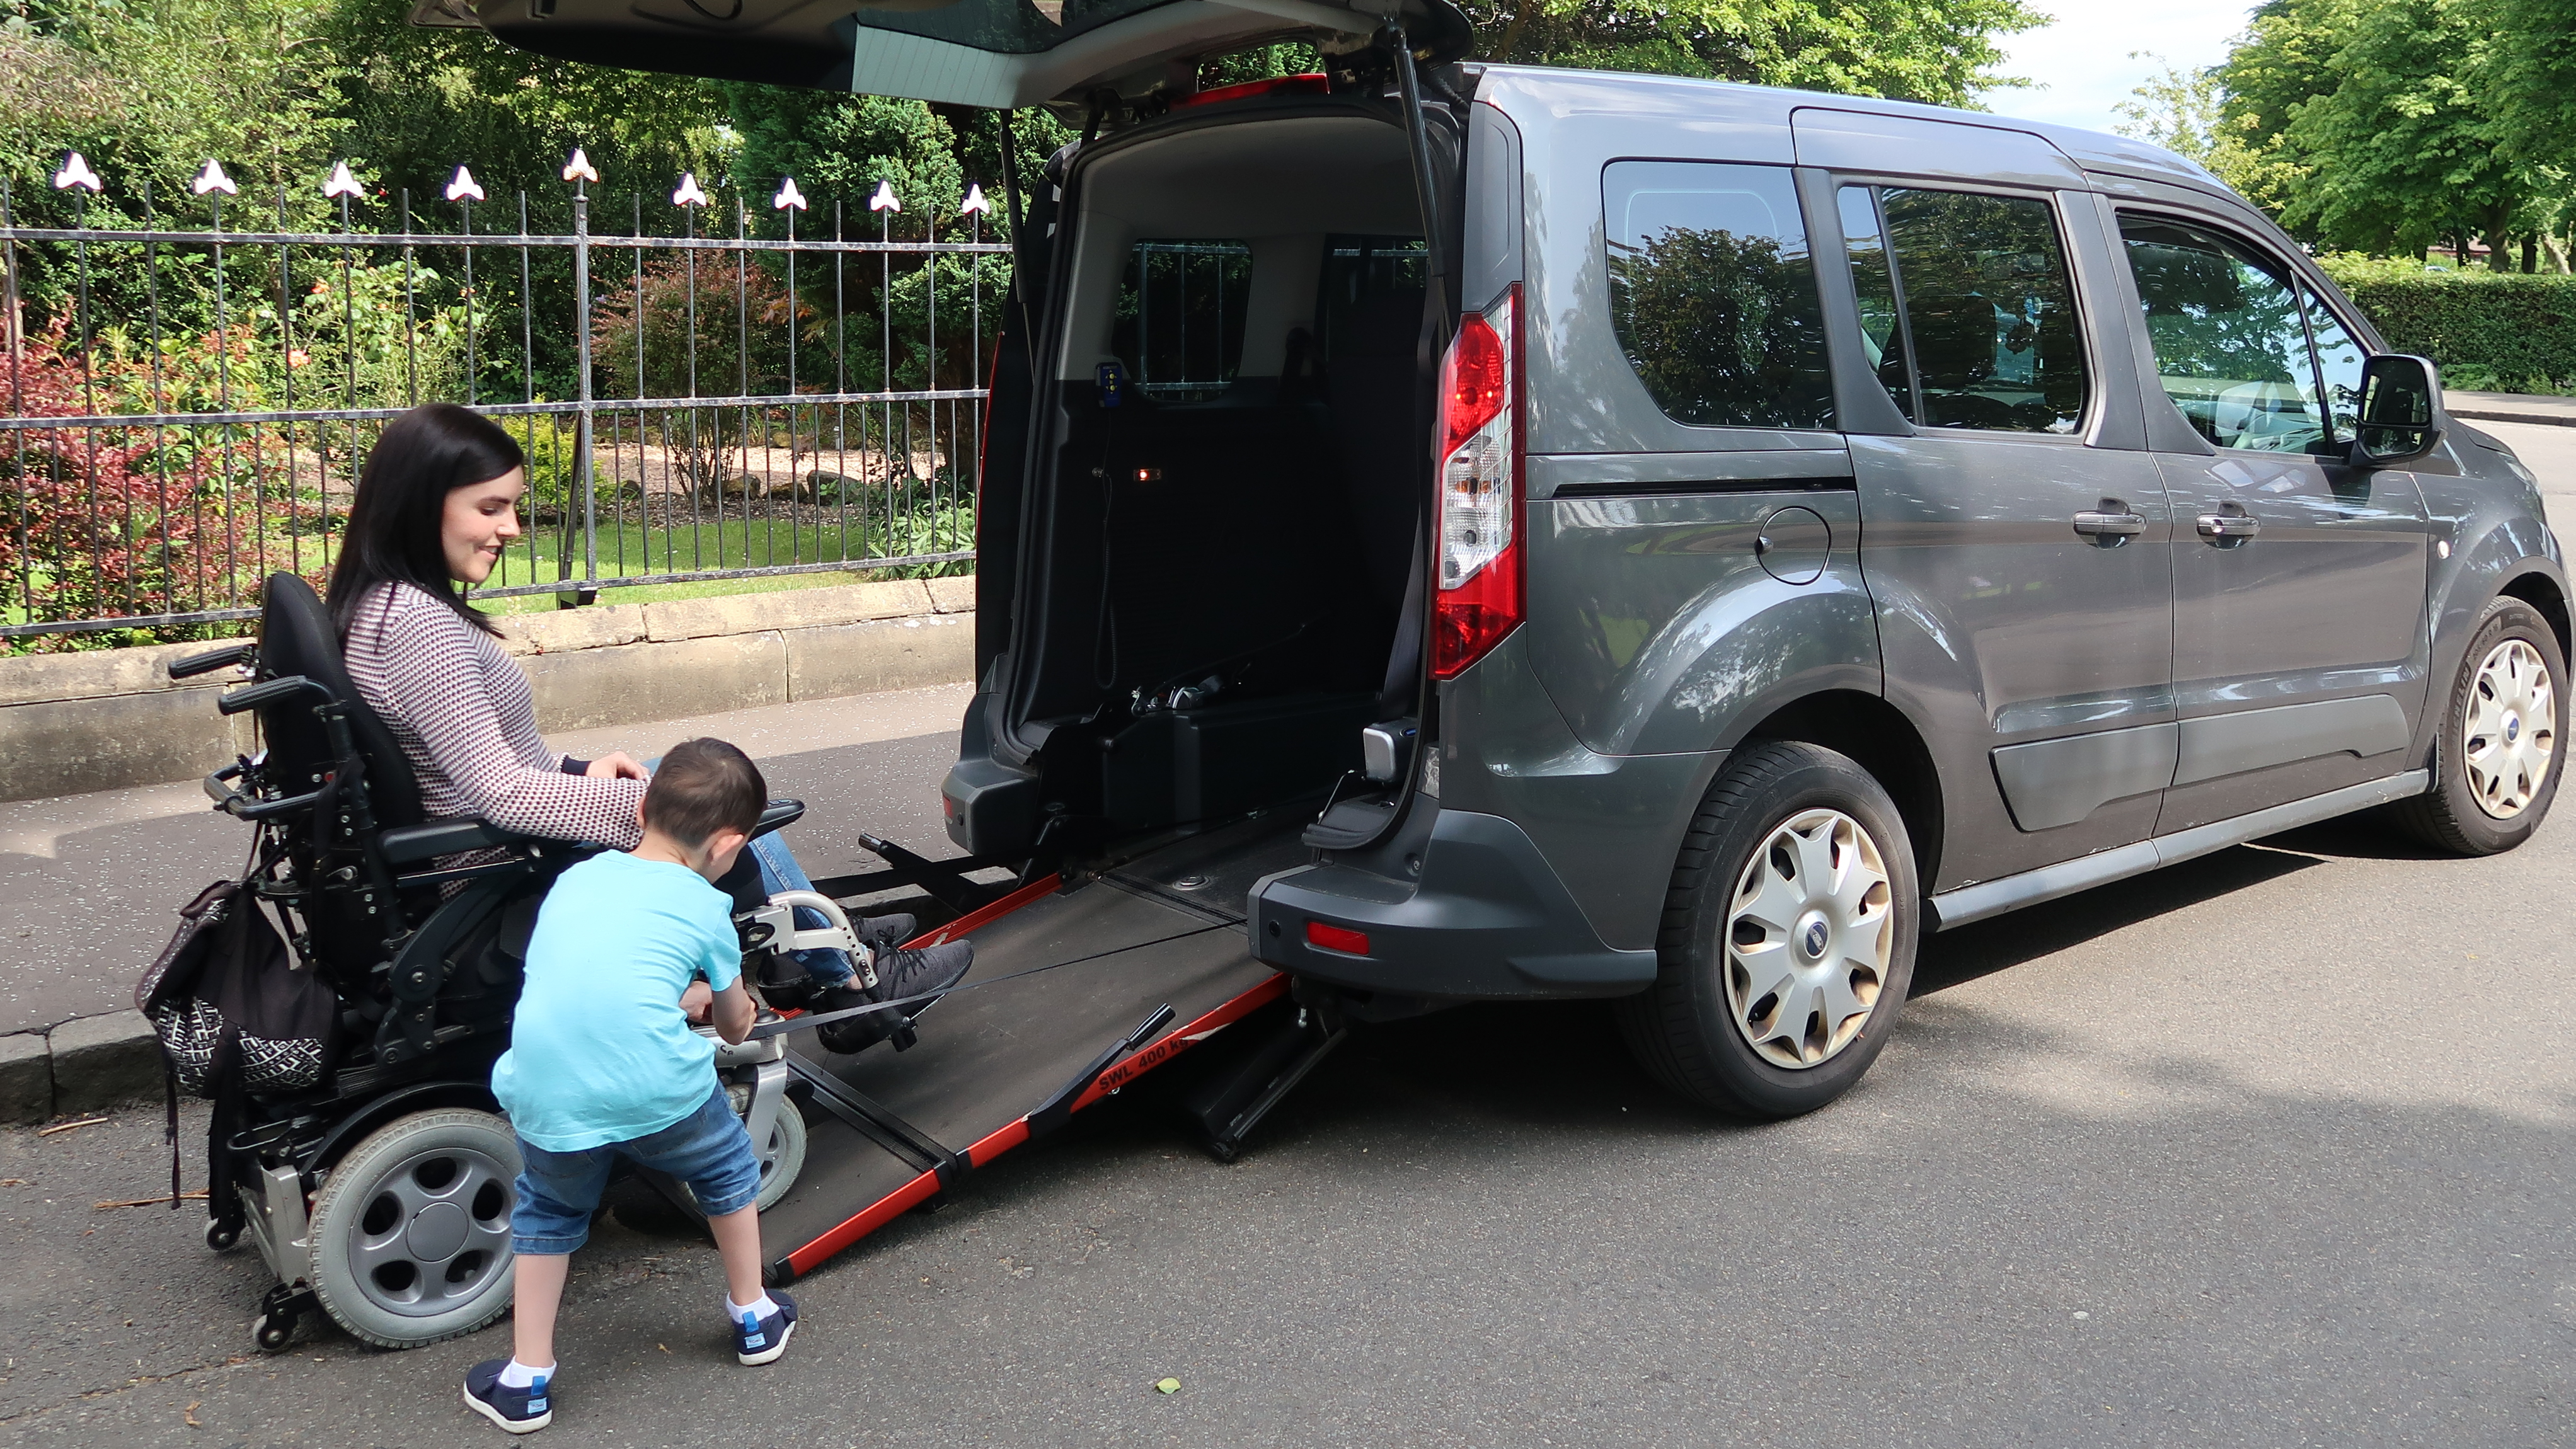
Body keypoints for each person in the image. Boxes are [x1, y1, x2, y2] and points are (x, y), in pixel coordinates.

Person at [326, 403, 968, 1050]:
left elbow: (467, 764)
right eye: (491, 508)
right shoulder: (417, 624)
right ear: (422, 501)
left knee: (684, 772)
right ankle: (851, 981)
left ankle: (833, 943)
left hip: (488, 849)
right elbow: (500, 793)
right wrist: (645, 808)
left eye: (513, 508)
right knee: (704, 794)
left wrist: (578, 771)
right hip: (493, 872)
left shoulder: (387, 605)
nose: (513, 528)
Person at [466, 738, 796, 1433]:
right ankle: (755, 1314)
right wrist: (719, 1003)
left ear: (641, 806)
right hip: (658, 1092)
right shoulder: (706, 905)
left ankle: (526, 1377)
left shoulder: (578, 879)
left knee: (549, 1215)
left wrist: (675, 997)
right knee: (728, 1168)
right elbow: (735, 1026)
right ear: (729, 843)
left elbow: (598, 981)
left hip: (548, 1092)